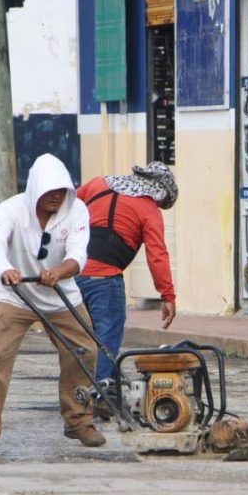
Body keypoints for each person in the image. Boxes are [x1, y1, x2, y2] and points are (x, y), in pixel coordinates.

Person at [0, 153, 105, 458]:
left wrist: (59, 272)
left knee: (84, 351)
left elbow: (78, 255)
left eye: (62, 191)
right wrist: (5, 268)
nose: (56, 197)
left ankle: (78, 419)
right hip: (16, 296)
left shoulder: (77, 210)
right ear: (35, 191)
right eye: (49, 192)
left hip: (62, 295)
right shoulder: (11, 210)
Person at [75, 161, 178, 387]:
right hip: (105, 279)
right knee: (107, 335)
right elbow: (157, 255)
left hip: (72, 274)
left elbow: (67, 209)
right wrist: (167, 296)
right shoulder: (148, 209)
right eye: (161, 202)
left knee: (79, 337)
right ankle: (102, 391)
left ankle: (79, 393)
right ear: (159, 191)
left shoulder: (97, 184)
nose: (158, 206)